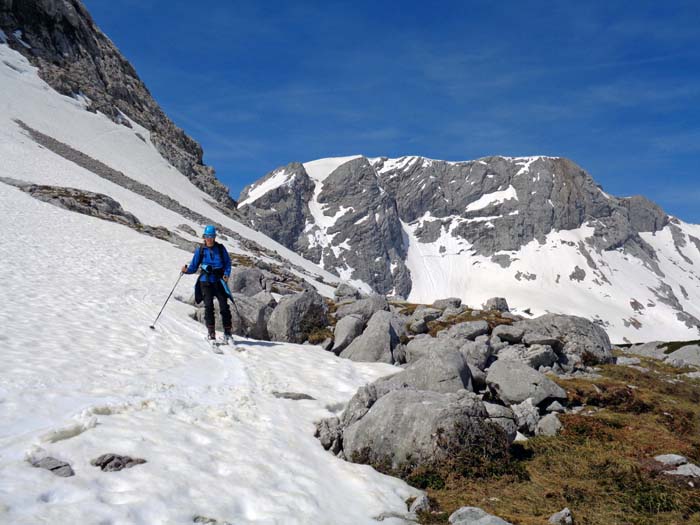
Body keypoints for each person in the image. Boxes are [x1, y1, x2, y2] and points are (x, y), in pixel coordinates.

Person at [181, 225, 233, 342]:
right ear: (204, 237)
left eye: (211, 236)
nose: (209, 238)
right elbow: (194, 267)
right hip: (205, 281)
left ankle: (228, 333)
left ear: (214, 237)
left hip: (219, 281)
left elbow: (227, 263)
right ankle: (211, 333)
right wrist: (186, 270)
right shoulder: (200, 250)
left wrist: (226, 274)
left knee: (224, 306)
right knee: (208, 307)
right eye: (207, 236)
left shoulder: (220, 248)